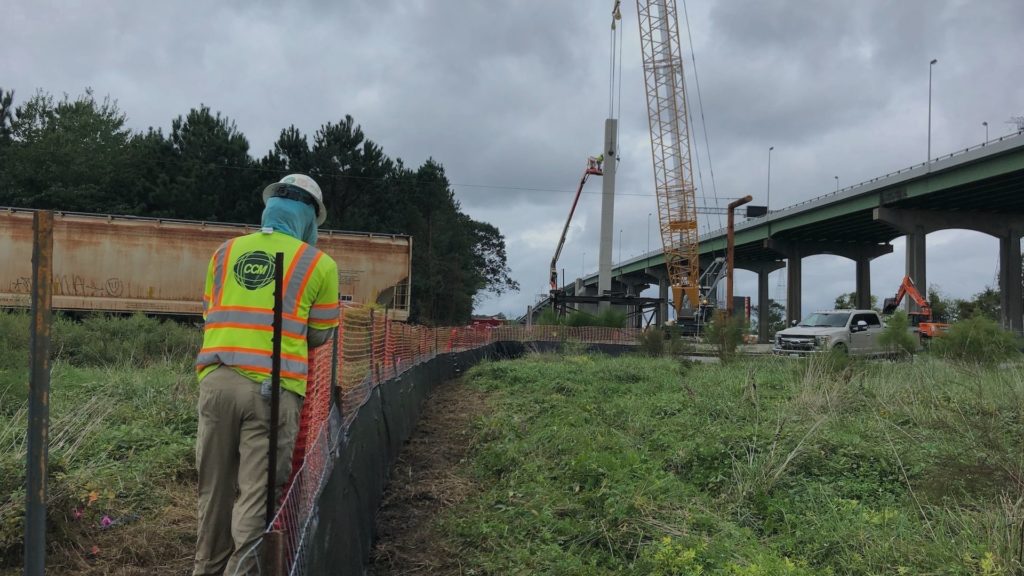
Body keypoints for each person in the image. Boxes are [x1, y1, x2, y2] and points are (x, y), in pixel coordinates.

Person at [192, 174, 339, 576]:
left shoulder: (224, 252)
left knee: (214, 491)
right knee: (257, 498)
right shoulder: (319, 264)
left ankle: (205, 569)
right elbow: (320, 334)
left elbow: (211, 314)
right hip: (273, 391)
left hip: (217, 382)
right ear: (310, 217)